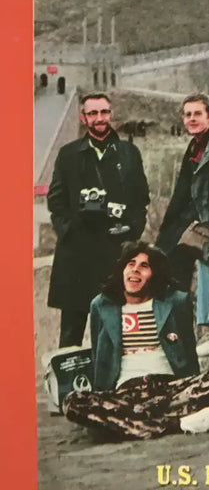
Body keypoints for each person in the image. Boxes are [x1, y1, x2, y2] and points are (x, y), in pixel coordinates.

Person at [63, 241, 209, 439]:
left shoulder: (176, 302)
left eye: (144, 266)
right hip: (126, 394)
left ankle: (131, 424)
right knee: (73, 401)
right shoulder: (102, 305)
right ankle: (177, 423)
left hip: (170, 389)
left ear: (155, 275)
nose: (135, 270)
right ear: (122, 270)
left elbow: (187, 351)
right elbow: (99, 356)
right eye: (130, 264)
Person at [47, 93, 149, 347]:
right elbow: (56, 201)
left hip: (115, 253)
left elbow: (141, 200)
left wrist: (132, 232)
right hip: (77, 257)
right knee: (70, 337)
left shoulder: (128, 153)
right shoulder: (68, 154)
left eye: (104, 112)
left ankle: (107, 374)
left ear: (111, 114)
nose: (99, 118)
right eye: (92, 113)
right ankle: (72, 375)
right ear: (83, 118)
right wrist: (70, 230)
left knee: (113, 334)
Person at [156, 93, 209, 357]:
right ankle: (177, 341)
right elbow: (181, 193)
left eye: (197, 114)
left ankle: (200, 336)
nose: (192, 119)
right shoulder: (195, 147)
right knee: (167, 268)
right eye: (187, 115)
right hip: (194, 220)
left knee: (184, 269)